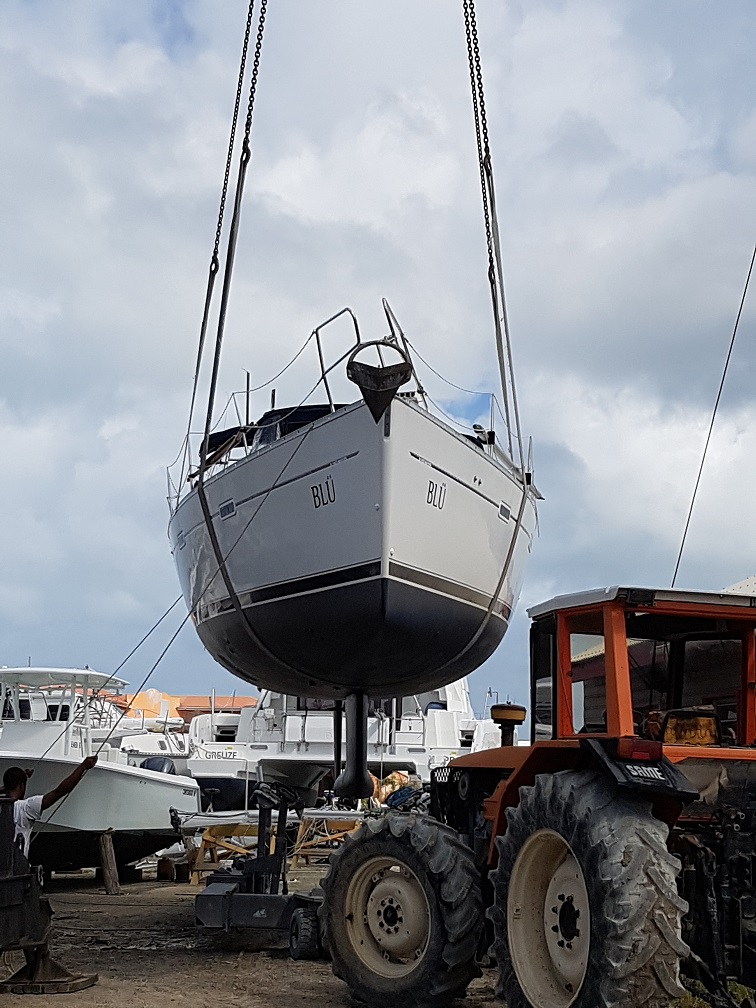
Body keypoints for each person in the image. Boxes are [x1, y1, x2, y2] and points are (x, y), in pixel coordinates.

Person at [2, 754, 98, 858]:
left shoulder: (2, 806)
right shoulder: (25, 808)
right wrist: (83, 767)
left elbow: (9, 787)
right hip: (16, 865)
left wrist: (18, 779)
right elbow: (59, 791)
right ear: (22, 786)